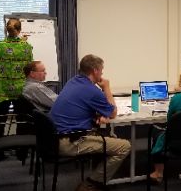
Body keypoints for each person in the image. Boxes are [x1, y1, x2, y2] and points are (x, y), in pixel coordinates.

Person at [50, 54, 131, 191]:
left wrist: (95, 115)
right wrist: (106, 87)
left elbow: (79, 106)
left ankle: (101, 176)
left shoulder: (73, 81)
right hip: (69, 141)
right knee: (124, 146)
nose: (102, 73)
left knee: (109, 137)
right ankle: (91, 184)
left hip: (53, 137)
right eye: (101, 70)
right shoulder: (92, 90)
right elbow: (113, 113)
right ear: (95, 70)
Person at [0, 18, 33, 109]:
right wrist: (23, 42)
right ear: (19, 30)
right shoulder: (26, 47)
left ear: (6, 29)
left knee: (1, 118)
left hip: (2, 92)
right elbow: (29, 68)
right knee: (21, 119)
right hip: (20, 92)